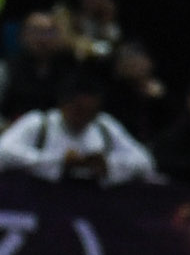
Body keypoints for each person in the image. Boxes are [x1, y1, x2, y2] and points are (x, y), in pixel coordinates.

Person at [0, 67, 158, 186]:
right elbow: (3, 153)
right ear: (63, 104)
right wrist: (58, 161)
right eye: (79, 110)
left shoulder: (104, 126)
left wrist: (108, 165)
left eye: (91, 112)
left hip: (92, 207)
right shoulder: (39, 123)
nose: (84, 118)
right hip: (38, 202)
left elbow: (145, 162)